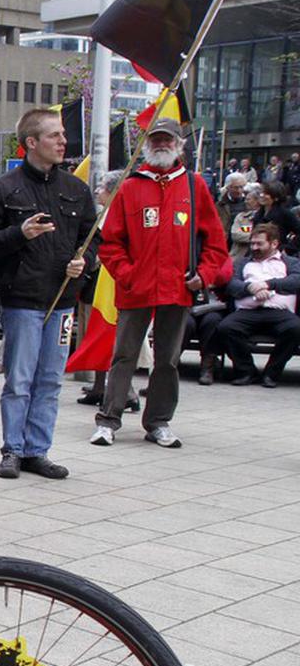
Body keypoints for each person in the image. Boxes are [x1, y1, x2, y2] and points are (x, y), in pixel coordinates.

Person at [89, 119, 231, 449]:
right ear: (147, 144)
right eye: (156, 140)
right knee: (123, 355)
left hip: (178, 289)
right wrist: (127, 274)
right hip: (136, 289)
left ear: (180, 144)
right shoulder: (130, 186)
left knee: (167, 359)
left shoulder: (195, 186)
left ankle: (158, 421)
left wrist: (204, 276)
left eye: (168, 140)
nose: (161, 145)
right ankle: (108, 419)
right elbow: (110, 243)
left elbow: (215, 244)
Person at [0, 109, 96, 479]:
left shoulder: (77, 189)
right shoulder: (3, 189)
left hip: (62, 300)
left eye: (62, 135)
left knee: (50, 380)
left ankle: (37, 450)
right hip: (22, 298)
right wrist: (19, 234)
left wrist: (85, 262)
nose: (63, 142)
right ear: (31, 142)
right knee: (20, 379)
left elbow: (92, 241)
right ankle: (12, 448)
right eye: (54, 136)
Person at [217, 223, 300, 387]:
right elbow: (231, 284)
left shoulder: (289, 262)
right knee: (226, 328)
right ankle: (246, 371)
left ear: (274, 244)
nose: (254, 247)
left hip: (279, 312)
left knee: (295, 329)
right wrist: (250, 287)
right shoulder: (242, 263)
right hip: (248, 311)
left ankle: (272, 373)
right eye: (252, 243)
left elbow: (295, 281)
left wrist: (268, 285)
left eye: (259, 244)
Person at [252, 180, 300, 255]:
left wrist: (288, 249)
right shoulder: (258, 214)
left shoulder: (285, 213)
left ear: (276, 197)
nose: (261, 195)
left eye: (266, 193)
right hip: (258, 253)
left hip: (276, 254)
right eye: (261, 192)